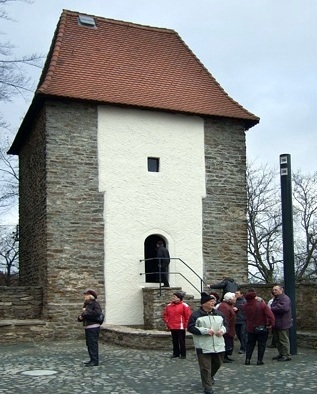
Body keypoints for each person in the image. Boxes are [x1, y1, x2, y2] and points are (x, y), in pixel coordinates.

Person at [187, 292, 226, 394]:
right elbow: (190, 328)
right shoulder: (195, 315)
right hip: (203, 345)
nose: (212, 303)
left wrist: (222, 330)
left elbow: (225, 325)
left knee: (218, 363)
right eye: (210, 301)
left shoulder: (219, 314)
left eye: (213, 301)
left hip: (218, 344)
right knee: (205, 367)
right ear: (203, 303)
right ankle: (207, 387)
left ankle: (210, 377)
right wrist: (205, 331)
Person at [243, 290, 275, 365]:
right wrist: (271, 324)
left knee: (250, 344)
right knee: (261, 344)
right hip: (261, 327)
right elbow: (271, 316)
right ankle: (259, 360)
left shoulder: (245, 306)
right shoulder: (262, 305)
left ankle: (247, 359)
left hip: (250, 328)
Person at [77, 289, 103, 367]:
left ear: (91, 296)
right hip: (88, 326)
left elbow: (97, 313)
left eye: (87, 295)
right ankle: (92, 359)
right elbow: (84, 314)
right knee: (89, 344)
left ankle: (95, 361)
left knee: (93, 344)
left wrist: (85, 313)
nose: (85, 296)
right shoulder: (87, 304)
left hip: (93, 327)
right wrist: (80, 317)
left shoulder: (95, 304)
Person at [163, 291, 191, 359]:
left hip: (180, 326)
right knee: (174, 340)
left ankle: (183, 354)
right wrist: (167, 321)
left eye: (175, 297)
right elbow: (165, 315)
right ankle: (176, 353)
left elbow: (188, 316)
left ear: (179, 298)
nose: (173, 298)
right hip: (172, 326)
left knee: (181, 341)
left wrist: (186, 325)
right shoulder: (169, 306)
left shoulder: (185, 306)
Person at [271, 285, 293, 361]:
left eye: (276, 290)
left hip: (283, 323)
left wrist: (271, 309)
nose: (274, 291)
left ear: (281, 290)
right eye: (273, 290)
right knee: (277, 340)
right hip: (276, 323)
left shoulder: (285, 298)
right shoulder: (276, 299)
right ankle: (281, 353)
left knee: (283, 340)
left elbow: (284, 308)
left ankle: (286, 355)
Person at [217, 292, 237, 363]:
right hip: (226, 329)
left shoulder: (228, 306)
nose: (235, 299)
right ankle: (224, 357)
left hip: (230, 328)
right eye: (234, 298)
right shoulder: (224, 307)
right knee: (226, 343)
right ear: (230, 299)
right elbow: (225, 318)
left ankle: (226, 356)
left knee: (228, 343)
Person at [234, 289, 248, 354]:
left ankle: (243, 348)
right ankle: (244, 345)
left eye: (237, 293)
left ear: (241, 294)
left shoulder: (244, 301)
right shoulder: (234, 301)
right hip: (236, 320)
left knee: (243, 334)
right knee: (238, 334)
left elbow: (246, 310)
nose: (235, 294)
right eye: (235, 293)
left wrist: (238, 308)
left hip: (243, 320)